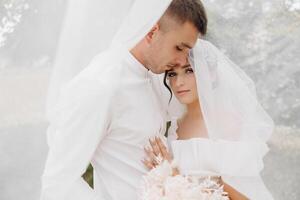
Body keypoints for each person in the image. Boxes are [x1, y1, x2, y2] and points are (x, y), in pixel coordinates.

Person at [40, 1, 207, 200]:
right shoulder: (100, 86)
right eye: (179, 48)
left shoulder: (155, 80)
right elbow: (58, 184)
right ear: (152, 32)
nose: (183, 61)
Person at [143, 39, 274, 200]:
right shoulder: (173, 127)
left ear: (210, 74)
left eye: (189, 70)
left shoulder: (229, 123)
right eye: (172, 74)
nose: (179, 82)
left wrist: (174, 177)